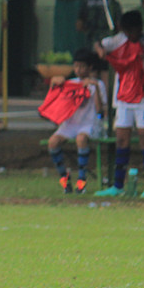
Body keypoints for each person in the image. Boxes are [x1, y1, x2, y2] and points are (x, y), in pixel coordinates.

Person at [95, 11, 144, 198]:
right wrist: (100, 50)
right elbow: (100, 44)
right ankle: (118, 185)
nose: (130, 35)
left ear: (140, 28)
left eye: (133, 31)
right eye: (127, 31)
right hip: (124, 98)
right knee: (121, 139)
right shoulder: (119, 40)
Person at [46, 49, 107, 194]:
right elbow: (54, 102)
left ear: (90, 67)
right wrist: (53, 84)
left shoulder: (97, 84)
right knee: (53, 142)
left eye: (82, 67)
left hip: (89, 124)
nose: (78, 70)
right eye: (76, 66)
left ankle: (81, 181)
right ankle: (65, 181)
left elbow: (100, 111)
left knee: (81, 139)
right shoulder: (71, 83)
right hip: (71, 124)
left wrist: (95, 88)